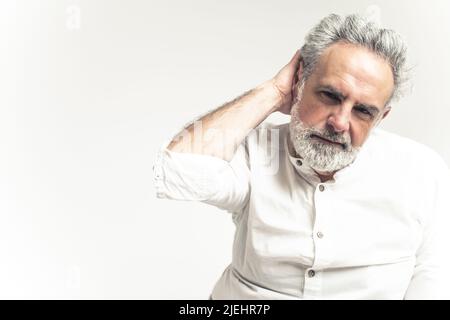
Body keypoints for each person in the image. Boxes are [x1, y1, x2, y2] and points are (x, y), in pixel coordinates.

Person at [153, 13, 450, 299]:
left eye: (363, 111)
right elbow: (175, 171)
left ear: (381, 117)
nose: (340, 123)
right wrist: (272, 92)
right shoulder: (258, 149)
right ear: (298, 85)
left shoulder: (422, 173)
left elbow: (432, 280)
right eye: (330, 96)